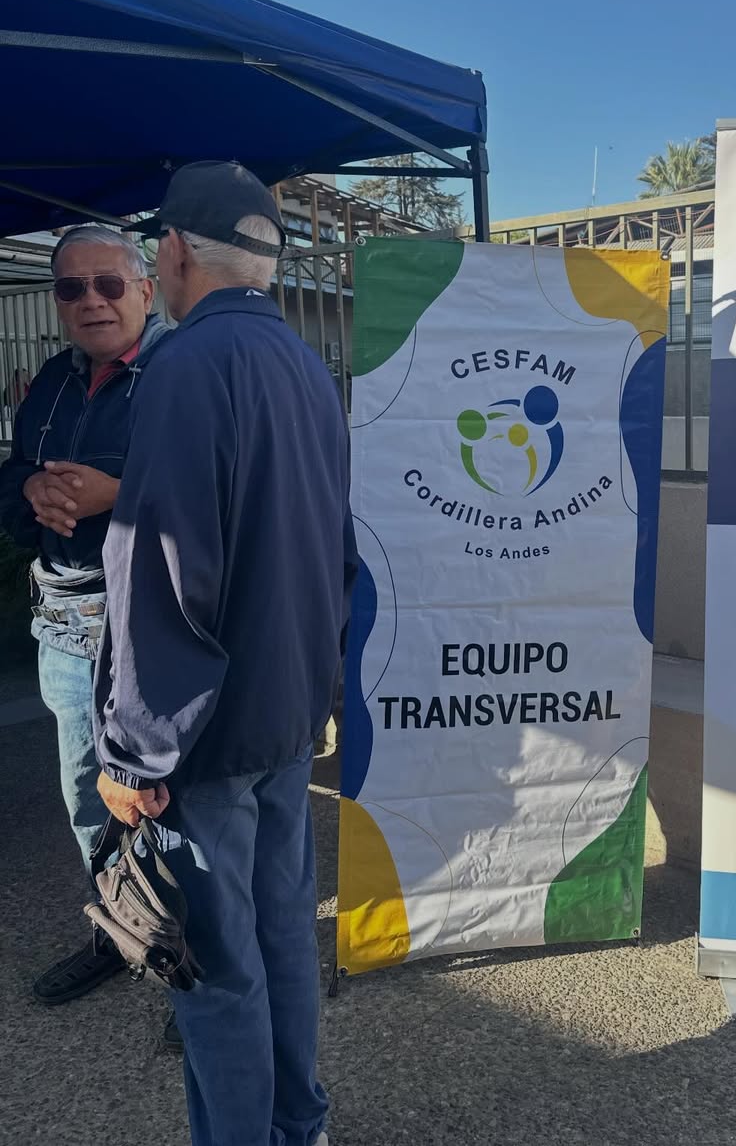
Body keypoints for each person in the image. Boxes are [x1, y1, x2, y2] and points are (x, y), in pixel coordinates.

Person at [93, 161, 356, 1146]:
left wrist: (133, 752)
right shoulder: (302, 364)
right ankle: (300, 1124)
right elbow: (336, 548)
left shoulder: (186, 365)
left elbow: (160, 569)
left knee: (214, 965)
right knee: (281, 934)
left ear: (171, 252)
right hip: (285, 708)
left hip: (201, 731)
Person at [0, 225, 170, 1008]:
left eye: (109, 283)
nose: (91, 301)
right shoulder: (53, 381)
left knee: (170, 800)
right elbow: (13, 476)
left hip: (153, 630)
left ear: (146, 289)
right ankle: (119, 930)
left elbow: (229, 498)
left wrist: (120, 496)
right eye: (72, 288)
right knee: (82, 790)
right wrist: (30, 490)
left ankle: (197, 971)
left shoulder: (182, 373)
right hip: (65, 629)